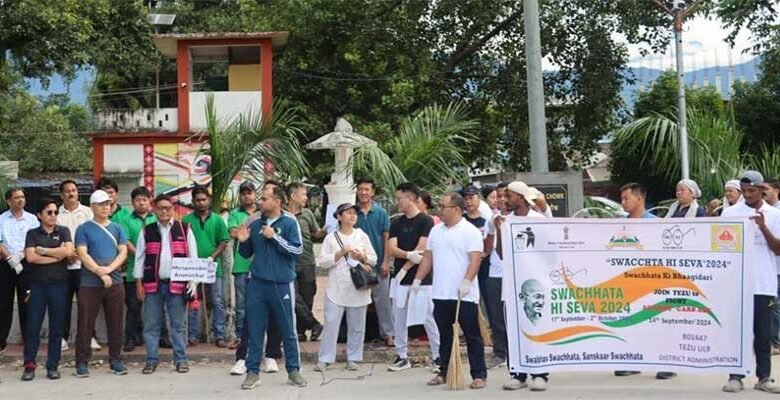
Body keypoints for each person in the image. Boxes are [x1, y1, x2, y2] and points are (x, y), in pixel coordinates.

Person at [412, 192, 487, 389]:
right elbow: (428, 257)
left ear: (455, 209)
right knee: (444, 334)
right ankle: (444, 371)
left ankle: (479, 374)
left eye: (443, 206)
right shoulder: (436, 231)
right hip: (441, 292)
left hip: (464, 294)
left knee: (472, 335)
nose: (440, 210)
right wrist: (418, 279)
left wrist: (467, 282)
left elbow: (475, 259)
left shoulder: (470, 231)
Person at [236, 185, 307, 390]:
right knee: (256, 329)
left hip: (282, 283)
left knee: (288, 329)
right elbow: (246, 253)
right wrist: (243, 242)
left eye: (265, 198)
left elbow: (297, 250)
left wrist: (274, 236)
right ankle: (252, 372)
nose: (260, 202)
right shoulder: (256, 221)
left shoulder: (290, 221)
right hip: (257, 283)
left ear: (277, 201)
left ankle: (293, 370)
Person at [722, 171, 780, 393]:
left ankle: (764, 377)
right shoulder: (730, 213)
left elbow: (778, 249)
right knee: (738, 332)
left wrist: (763, 227)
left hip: (764, 282)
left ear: (762, 189)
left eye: (752, 191)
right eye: (744, 191)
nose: (747, 195)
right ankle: (735, 376)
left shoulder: (774, 215)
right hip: (737, 283)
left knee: (763, 333)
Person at [615, 182, 675, 380]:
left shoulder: (656, 224)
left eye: (626, 198)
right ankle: (633, 362)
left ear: (640, 199)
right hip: (627, 281)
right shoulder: (618, 225)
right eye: (621, 199)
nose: (622, 203)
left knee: (659, 322)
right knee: (631, 322)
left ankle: (668, 363)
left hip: (652, 282)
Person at [134, 194, 198, 374]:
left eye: (167, 208)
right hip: (152, 285)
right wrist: (138, 283)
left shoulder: (185, 229)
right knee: (151, 325)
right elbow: (139, 259)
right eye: (160, 208)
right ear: (154, 210)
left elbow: (193, 257)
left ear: (173, 210)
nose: (164, 211)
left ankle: (181, 360)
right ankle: (151, 360)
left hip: (177, 286)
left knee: (178, 326)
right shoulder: (146, 231)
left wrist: (192, 282)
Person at [496, 181, 547, 391]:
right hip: (512, 286)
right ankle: (517, 373)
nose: (505, 198)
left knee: (536, 327)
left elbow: (547, 251)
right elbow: (500, 254)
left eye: (509, 195)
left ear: (521, 197)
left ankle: (540, 374)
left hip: (535, 285)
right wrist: (500, 231)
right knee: (513, 331)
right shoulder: (506, 221)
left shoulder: (539, 220)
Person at [314, 202, 377, 372]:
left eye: (354, 213)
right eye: (348, 213)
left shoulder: (361, 235)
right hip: (336, 287)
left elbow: (373, 259)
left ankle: (354, 357)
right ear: (339, 217)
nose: (352, 216)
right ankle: (325, 358)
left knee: (357, 325)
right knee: (331, 323)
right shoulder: (331, 238)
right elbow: (322, 261)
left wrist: (362, 256)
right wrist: (339, 254)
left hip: (358, 287)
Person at [73, 189, 129, 377]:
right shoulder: (84, 228)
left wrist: (109, 269)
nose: (106, 207)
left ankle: (116, 359)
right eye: (102, 204)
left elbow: (123, 252)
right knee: (85, 323)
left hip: (115, 282)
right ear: (93, 206)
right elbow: (82, 252)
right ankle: (81, 362)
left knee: (116, 322)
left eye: (108, 203)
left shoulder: (118, 228)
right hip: (89, 283)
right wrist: (98, 271)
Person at [386, 183, 439, 372]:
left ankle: (438, 356)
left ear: (409, 199)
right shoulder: (397, 223)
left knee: (429, 317)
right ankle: (402, 356)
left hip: (422, 279)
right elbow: (392, 248)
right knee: (398, 318)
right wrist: (408, 257)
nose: (397, 201)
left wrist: (407, 265)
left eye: (399, 198)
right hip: (400, 280)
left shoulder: (426, 221)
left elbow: (422, 249)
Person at [20, 199, 73, 381]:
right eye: (49, 212)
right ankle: (29, 365)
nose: (53, 216)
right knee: (33, 327)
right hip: (38, 285)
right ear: (39, 215)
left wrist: (42, 250)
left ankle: (53, 365)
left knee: (57, 328)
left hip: (59, 284)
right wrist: (55, 255)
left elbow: (68, 252)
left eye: (55, 212)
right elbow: (31, 257)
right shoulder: (32, 233)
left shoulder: (64, 231)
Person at [183, 186, 229, 348]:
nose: (201, 203)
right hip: (193, 267)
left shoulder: (217, 220)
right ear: (193, 202)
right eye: (198, 200)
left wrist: (211, 257)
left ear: (209, 200)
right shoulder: (186, 221)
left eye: (204, 199)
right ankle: (193, 336)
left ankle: (219, 335)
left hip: (213, 267)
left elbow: (223, 241)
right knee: (194, 300)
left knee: (217, 301)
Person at [355, 177, 394, 347]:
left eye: (367, 189)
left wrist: (386, 261)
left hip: (378, 265)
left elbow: (387, 238)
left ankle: (389, 334)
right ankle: (356, 336)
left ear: (373, 193)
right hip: (356, 266)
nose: (363, 192)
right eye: (361, 189)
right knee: (356, 302)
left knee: (383, 301)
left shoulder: (381, 213)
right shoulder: (351, 212)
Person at [118, 186, 157, 352]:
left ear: (149, 202)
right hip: (134, 271)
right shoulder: (126, 220)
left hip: (154, 270)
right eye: (138, 200)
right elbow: (126, 242)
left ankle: (161, 337)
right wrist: (142, 255)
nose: (141, 203)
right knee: (133, 307)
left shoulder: (155, 219)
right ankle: (130, 338)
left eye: (144, 199)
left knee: (156, 306)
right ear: (133, 202)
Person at [0, 187, 39, 353]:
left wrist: (21, 256)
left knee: (27, 302)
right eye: (16, 198)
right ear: (9, 201)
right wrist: (10, 258)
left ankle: (28, 338)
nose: (20, 200)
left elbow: (35, 241)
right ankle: (1, 339)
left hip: (26, 263)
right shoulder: (1, 219)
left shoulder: (32, 220)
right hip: (5, 264)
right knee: (3, 302)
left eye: (22, 197)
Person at [57, 180, 93, 352]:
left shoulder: (88, 212)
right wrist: (66, 255)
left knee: (86, 303)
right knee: (62, 304)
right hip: (62, 267)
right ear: (61, 195)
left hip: (84, 266)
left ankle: (89, 336)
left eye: (74, 190)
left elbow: (92, 237)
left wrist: (78, 254)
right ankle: (62, 337)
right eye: (67, 191)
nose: (71, 193)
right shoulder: (55, 213)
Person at [286, 182, 325, 342]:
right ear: (293, 196)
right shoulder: (283, 214)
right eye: (303, 194)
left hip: (308, 261)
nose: (306, 198)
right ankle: (314, 324)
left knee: (307, 296)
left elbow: (316, 234)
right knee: (293, 297)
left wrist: (326, 229)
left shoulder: (308, 213)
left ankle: (301, 331)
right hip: (289, 262)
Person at [227, 181, 257, 353]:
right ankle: (240, 336)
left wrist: (244, 231)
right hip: (241, 265)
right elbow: (233, 233)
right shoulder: (235, 213)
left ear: (255, 194)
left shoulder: (263, 212)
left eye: (250, 192)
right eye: (244, 193)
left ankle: (259, 335)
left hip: (260, 265)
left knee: (260, 304)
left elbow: (242, 233)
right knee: (241, 304)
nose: (247, 195)